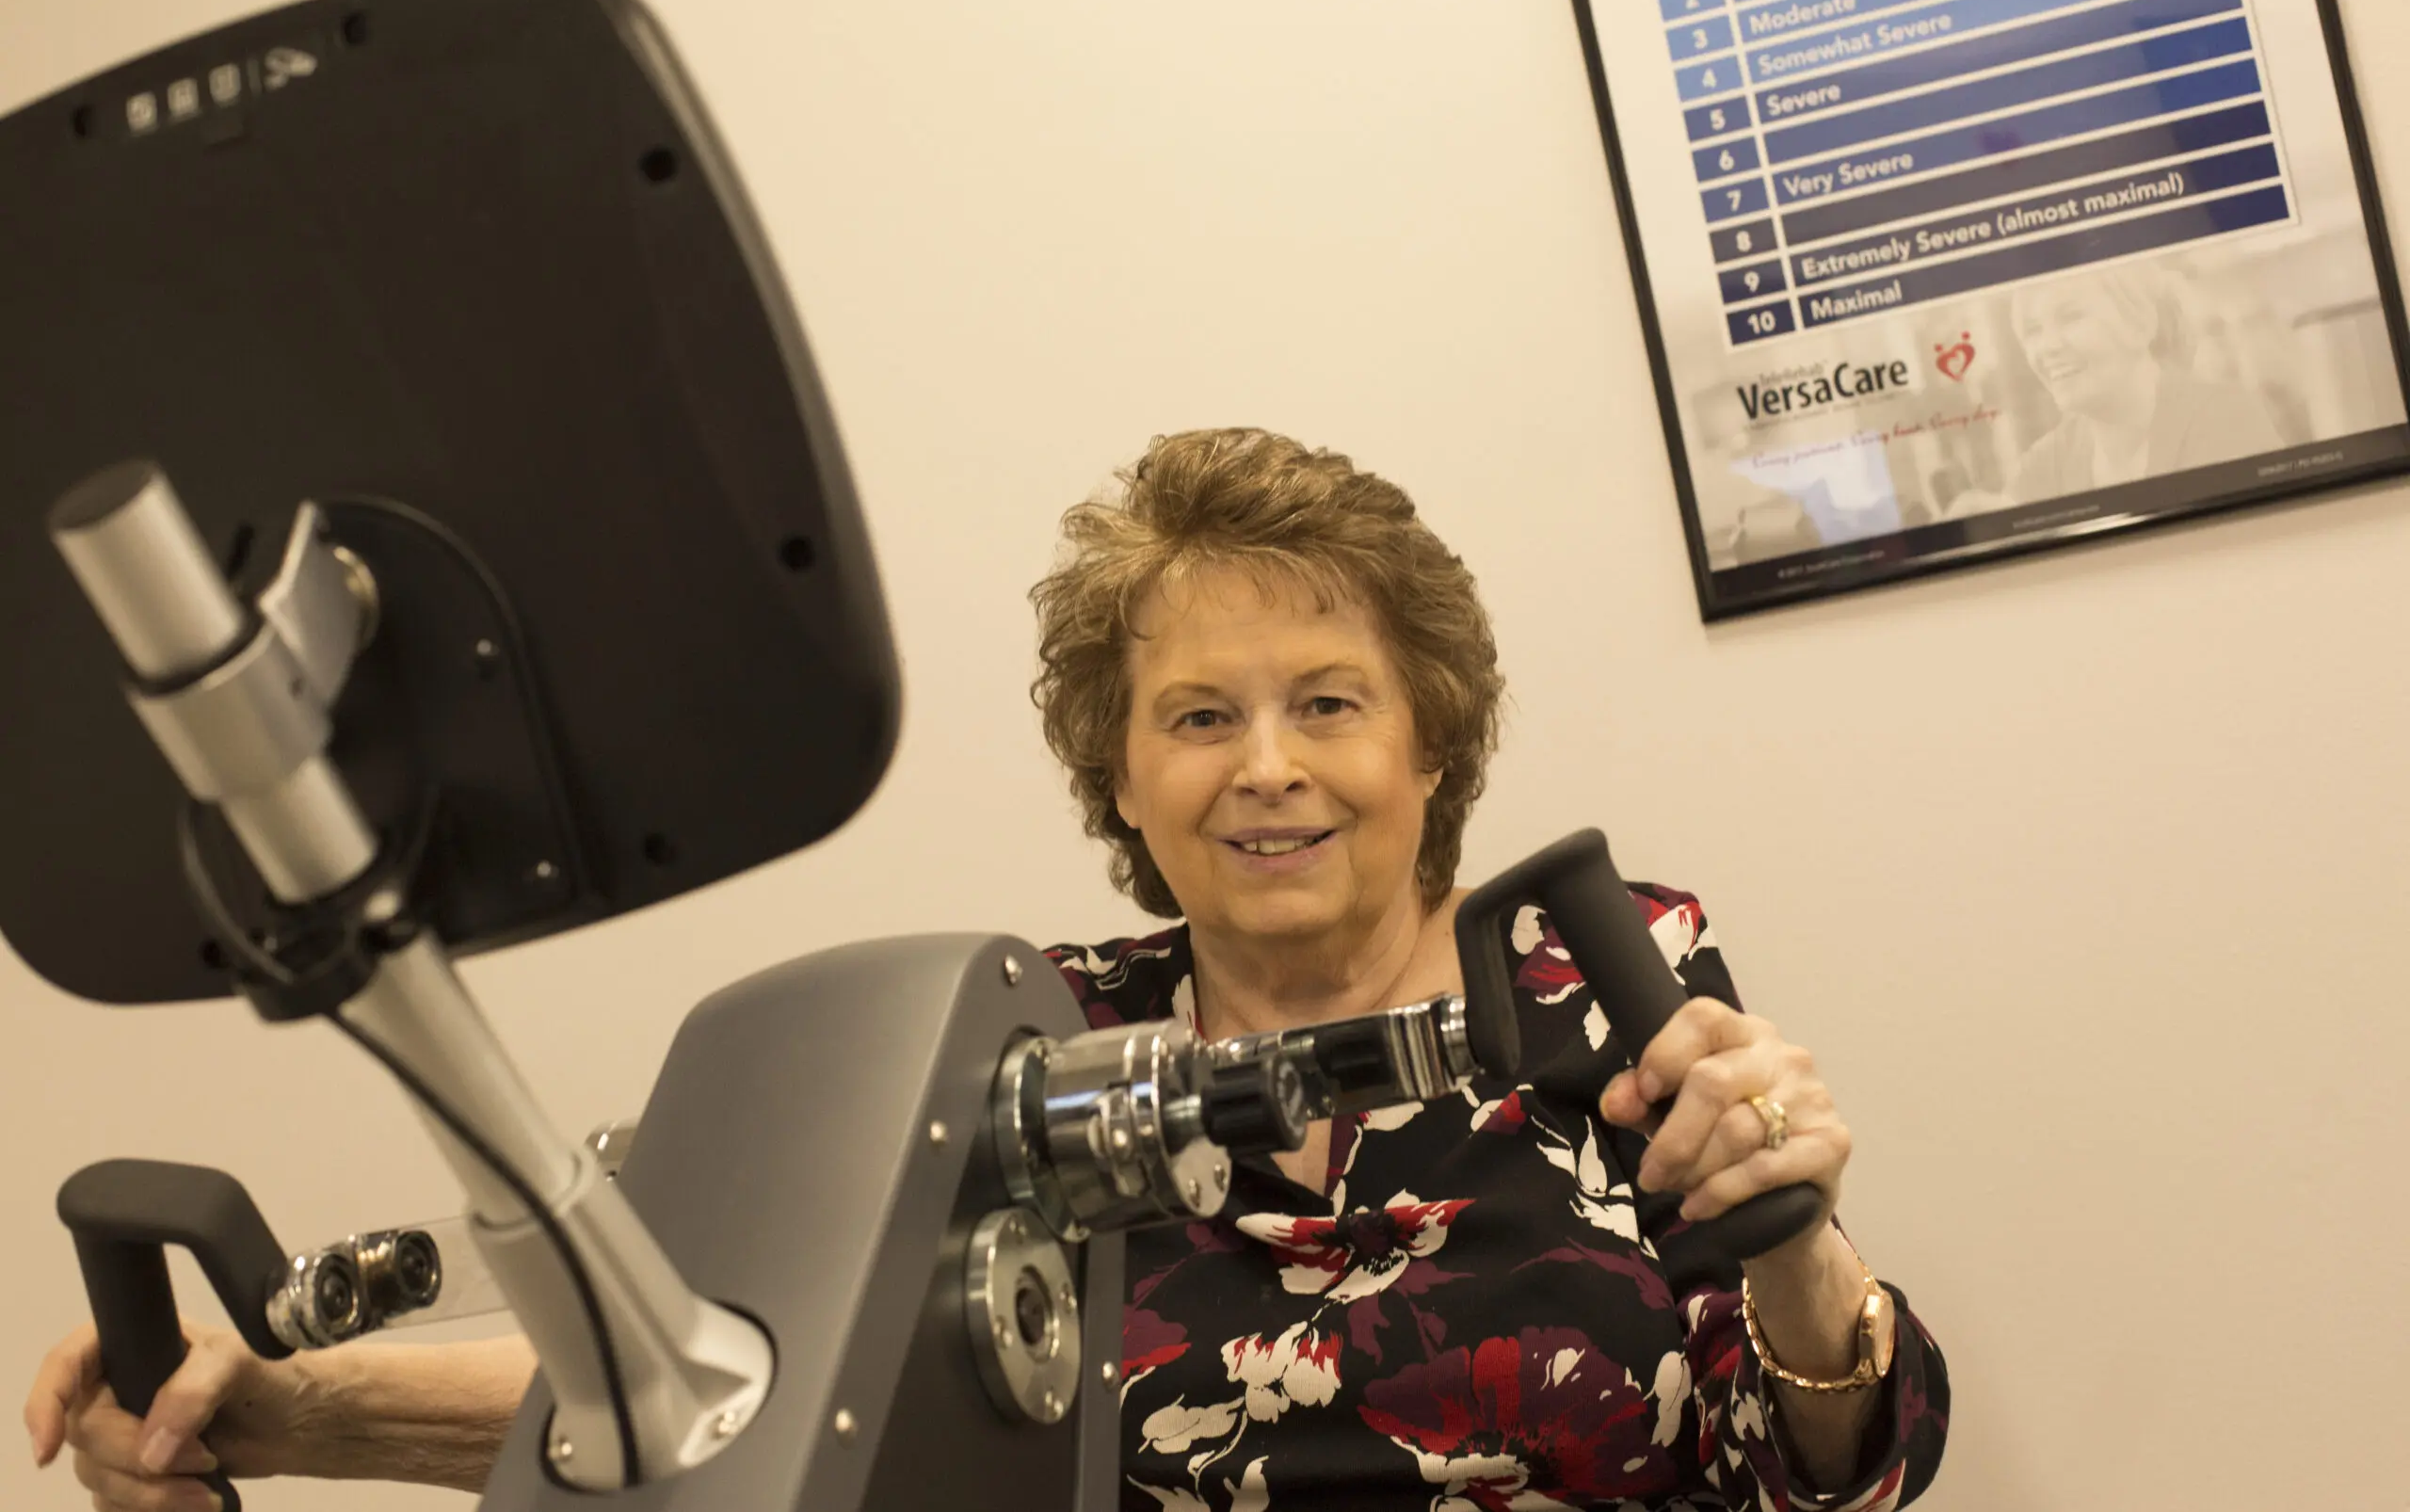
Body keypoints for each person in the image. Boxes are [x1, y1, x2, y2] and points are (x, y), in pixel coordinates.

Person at [24, 429, 1950, 1509]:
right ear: (1120, 773)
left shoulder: (1603, 969)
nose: (1265, 766)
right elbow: (747, 1372)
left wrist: (1794, 1239)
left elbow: (1846, 1461)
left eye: (1327, 701)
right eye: (1196, 715)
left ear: (1430, 741)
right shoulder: (1033, 1034)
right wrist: (288, 1404)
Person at [2004, 266, 2283, 504]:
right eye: (2033, 330)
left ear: (2140, 324)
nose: (2048, 346)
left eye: (2071, 317)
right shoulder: (2040, 467)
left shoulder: (2226, 419)